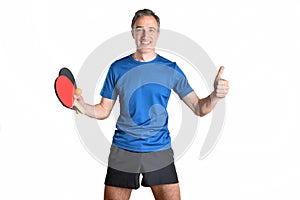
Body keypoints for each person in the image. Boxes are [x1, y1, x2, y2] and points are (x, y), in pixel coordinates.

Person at [74, 8, 229, 200]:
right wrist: (81, 105)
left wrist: (215, 95)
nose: (145, 35)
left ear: (158, 34)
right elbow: (103, 110)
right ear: (132, 33)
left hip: (159, 150)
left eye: (151, 29)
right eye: (139, 29)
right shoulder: (117, 68)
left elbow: (199, 108)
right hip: (123, 150)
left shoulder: (170, 69)